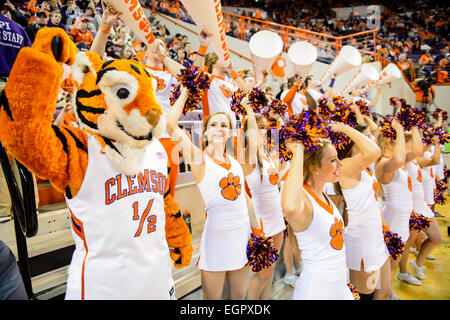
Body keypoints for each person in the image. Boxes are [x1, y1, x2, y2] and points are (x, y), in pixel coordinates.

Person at [165, 88, 261, 300]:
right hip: (216, 240)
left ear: (230, 132)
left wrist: (258, 231)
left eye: (224, 125)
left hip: (242, 235)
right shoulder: (199, 158)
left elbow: (244, 199)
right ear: (205, 132)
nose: (219, 128)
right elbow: (171, 125)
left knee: (238, 298)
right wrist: (185, 92)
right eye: (213, 124)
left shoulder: (235, 161)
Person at [281, 135, 355, 300]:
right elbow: (289, 207)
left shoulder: (323, 194)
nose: (340, 164)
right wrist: (298, 152)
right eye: (333, 160)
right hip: (316, 291)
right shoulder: (303, 199)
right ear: (314, 168)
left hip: (338, 286)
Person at [334, 122, 392, 300]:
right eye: (366, 137)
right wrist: (345, 128)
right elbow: (375, 151)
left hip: (375, 237)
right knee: (365, 295)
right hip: (362, 242)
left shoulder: (363, 167)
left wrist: (384, 225)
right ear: (352, 140)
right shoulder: (345, 165)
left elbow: (373, 200)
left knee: (384, 291)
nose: (371, 140)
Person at [376, 121, 421, 299]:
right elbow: (400, 158)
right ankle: (381, 294)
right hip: (393, 220)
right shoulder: (384, 163)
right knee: (387, 264)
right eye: (397, 138)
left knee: (393, 262)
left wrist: (415, 126)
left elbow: (417, 152)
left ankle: (389, 291)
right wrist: (400, 130)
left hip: (402, 220)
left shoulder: (396, 162)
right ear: (389, 141)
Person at [244, 114, 286, 300]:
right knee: (262, 274)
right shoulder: (248, 155)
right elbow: (253, 135)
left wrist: (278, 117)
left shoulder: (268, 153)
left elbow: (280, 137)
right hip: (262, 222)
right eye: (259, 127)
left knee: (271, 270)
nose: (264, 131)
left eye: (265, 127)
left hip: (277, 217)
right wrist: (249, 109)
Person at [407, 134, 442, 280]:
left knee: (436, 237)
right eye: (416, 142)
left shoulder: (416, 161)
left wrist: (437, 143)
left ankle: (417, 263)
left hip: (422, 205)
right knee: (407, 245)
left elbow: (436, 160)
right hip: (412, 207)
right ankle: (403, 272)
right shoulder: (404, 161)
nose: (420, 144)